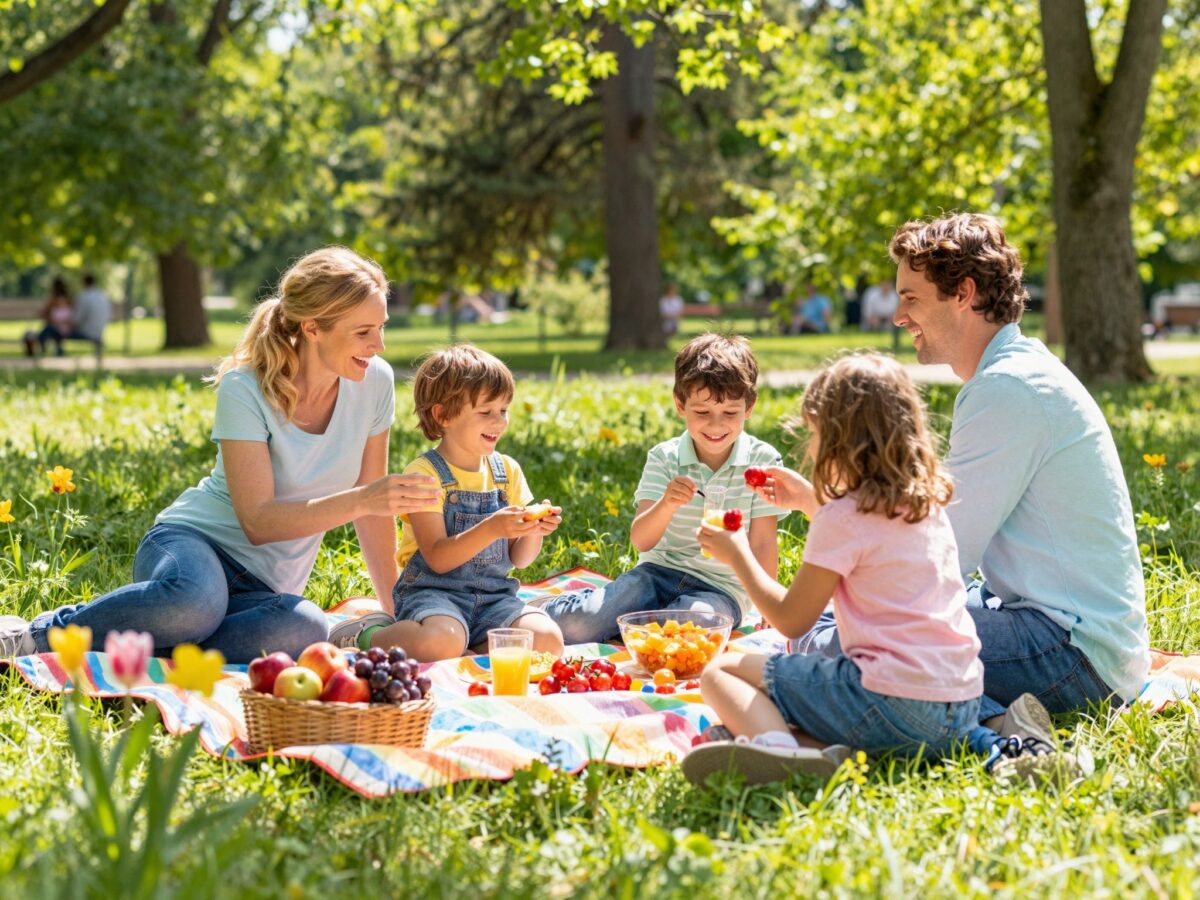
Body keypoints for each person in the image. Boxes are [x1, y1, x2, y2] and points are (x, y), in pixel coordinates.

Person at [776, 213, 1150, 779]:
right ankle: (999, 724)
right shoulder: (1013, 372)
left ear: (963, 294)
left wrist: (834, 531)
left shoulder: (1008, 389)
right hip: (1060, 628)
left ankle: (991, 734)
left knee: (831, 641)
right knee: (846, 628)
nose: (899, 317)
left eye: (911, 298)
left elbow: (941, 555)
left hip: (1072, 654)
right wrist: (821, 510)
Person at [1, 247, 441, 663]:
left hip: (264, 588)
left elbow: (373, 515)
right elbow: (259, 521)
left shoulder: (375, 383)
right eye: (364, 332)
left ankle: (155, 639)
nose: (379, 344)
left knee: (304, 628)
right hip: (194, 546)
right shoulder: (246, 387)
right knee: (193, 603)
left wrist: (395, 609)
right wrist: (364, 498)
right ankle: (38, 635)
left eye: (381, 327)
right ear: (312, 327)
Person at [681, 354, 983, 785]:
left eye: (816, 434)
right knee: (795, 688)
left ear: (840, 441)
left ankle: (784, 756)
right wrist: (811, 503)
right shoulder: (925, 503)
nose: (811, 446)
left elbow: (790, 620)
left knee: (721, 672)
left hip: (893, 702)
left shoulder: (843, 516)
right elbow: (871, 541)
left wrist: (739, 555)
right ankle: (815, 747)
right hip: (962, 706)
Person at [542, 333, 787, 644]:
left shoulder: (762, 461)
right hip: (655, 574)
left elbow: (764, 543)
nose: (715, 425)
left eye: (729, 413)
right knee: (576, 626)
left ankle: (644, 620)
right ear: (680, 405)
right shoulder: (665, 457)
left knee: (687, 633)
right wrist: (667, 504)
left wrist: (770, 606)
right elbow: (642, 540)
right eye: (702, 413)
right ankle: (562, 609)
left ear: (749, 407)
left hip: (722, 589)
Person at [329, 344, 565, 660]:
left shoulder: (507, 471)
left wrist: (534, 530)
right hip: (434, 597)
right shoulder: (426, 474)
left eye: (503, 410)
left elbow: (520, 559)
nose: (499, 422)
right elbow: (438, 558)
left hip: (494, 599)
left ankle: (465, 648)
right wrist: (492, 527)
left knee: (549, 640)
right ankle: (368, 635)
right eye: (485, 412)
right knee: (440, 640)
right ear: (443, 415)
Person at [24, 278, 74, 357]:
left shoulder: (56, 302)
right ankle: (46, 347)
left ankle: (42, 345)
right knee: (44, 330)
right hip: (57, 329)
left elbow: (46, 314)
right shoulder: (67, 301)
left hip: (60, 330)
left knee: (48, 329)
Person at [69, 273, 112, 348]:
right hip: (100, 331)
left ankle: (58, 351)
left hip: (86, 332)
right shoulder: (103, 296)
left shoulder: (83, 296)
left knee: (56, 331)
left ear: (84, 283)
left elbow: (78, 318)